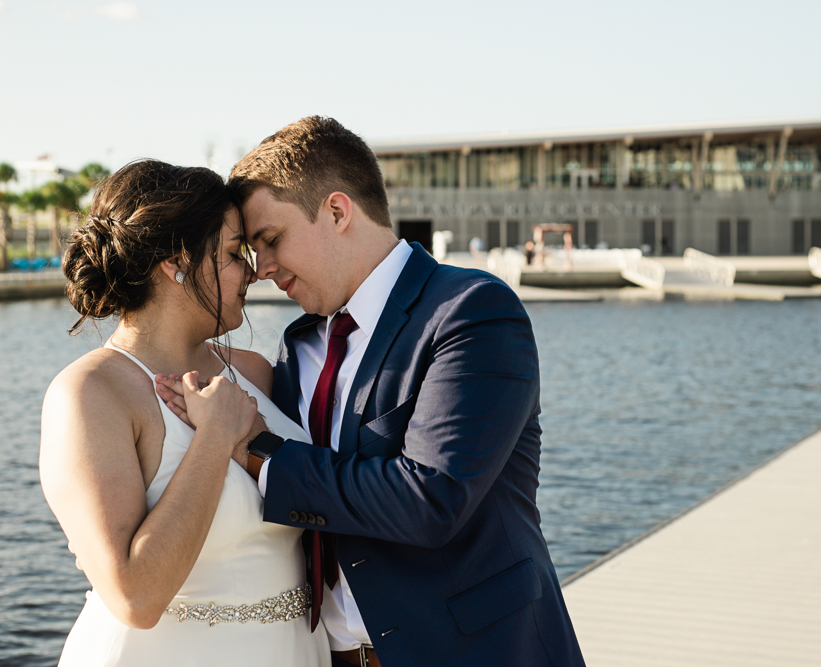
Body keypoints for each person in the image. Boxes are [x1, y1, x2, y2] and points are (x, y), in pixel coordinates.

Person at [156, 117, 584, 667]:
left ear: (337, 211)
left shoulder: (471, 312)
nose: (262, 270)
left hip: (472, 650)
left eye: (271, 240)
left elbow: (431, 499)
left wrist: (258, 449)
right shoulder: (300, 343)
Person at [39, 161, 331, 666]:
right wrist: (217, 437)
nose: (255, 271)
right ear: (176, 263)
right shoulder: (90, 393)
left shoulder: (257, 372)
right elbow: (136, 597)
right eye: (234, 253)